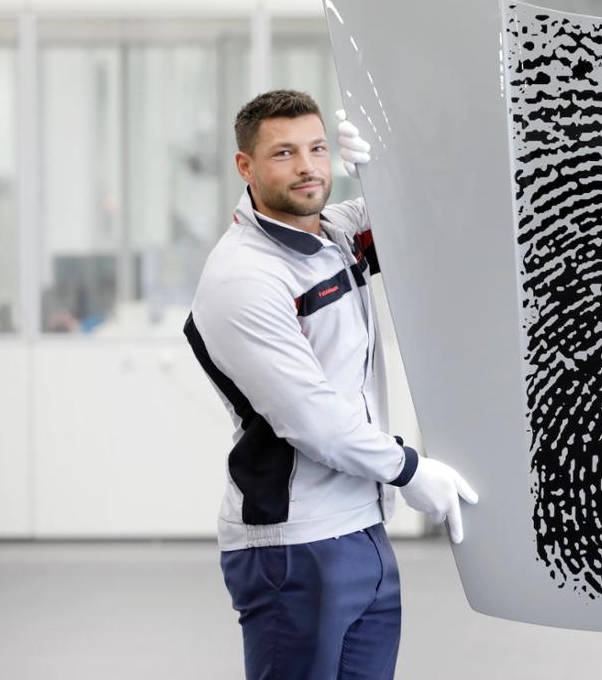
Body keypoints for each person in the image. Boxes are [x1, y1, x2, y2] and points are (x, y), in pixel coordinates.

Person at [184, 89, 478, 680]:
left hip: (362, 526)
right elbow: (311, 419)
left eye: (318, 149)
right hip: (295, 544)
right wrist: (409, 469)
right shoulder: (245, 277)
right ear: (245, 166)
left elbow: (432, 205)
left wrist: (386, 161)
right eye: (284, 153)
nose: (307, 167)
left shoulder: (335, 234)